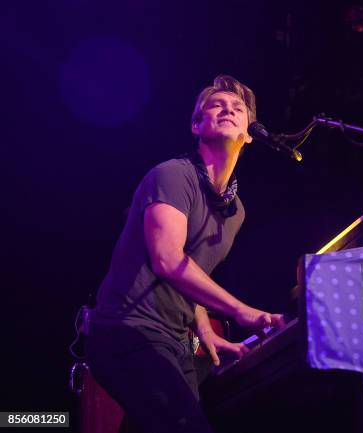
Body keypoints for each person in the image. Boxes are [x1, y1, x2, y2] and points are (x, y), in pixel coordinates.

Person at [86, 75, 284, 433]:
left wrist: (204, 330)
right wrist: (241, 311)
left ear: (249, 133)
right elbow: (168, 260)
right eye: (217, 105)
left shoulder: (235, 211)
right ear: (197, 125)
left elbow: (191, 276)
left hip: (177, 343)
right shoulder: (174, 175)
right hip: (128, 332)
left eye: (238, 108)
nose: (228, 109)